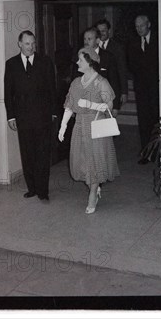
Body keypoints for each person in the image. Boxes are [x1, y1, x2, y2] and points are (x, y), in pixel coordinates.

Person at [58, 47, 120, 214]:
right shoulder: (76, 83)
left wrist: (91, 105)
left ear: (90, 63)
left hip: (96, 125)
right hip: (79, 126)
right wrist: (63, 126)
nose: (77, 62)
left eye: (81, 60)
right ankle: (94, 186)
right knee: (82, 162)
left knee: (94, 161)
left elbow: (109, 106)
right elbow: (69, 106)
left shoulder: (101, 82)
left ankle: (93, 193)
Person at [4, 31, 57, 202]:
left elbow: (52, 89)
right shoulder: (11, 64)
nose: (31, 47)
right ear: (20, 44)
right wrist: (11, 116)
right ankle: (32, 188)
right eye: (27, 44)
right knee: (27, 154)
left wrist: (53, 112)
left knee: (42, 153)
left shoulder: (45, 62)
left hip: (42, 117)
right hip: (23, 118)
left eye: (33, 43)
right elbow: (8, 93)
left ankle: (43, 190)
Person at [127, 14, 159, 163]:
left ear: (149, 24)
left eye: (142, 26)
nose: (139, 29)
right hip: (141, 88)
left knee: (157, 120)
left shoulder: (159, 39)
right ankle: (146, 153)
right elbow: (132, 65)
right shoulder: (133, 43)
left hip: (157, 88)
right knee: (144, 121)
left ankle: (159, 153)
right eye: (137, 26)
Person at [82, 27, 121, 115]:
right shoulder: (80, 57)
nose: (86, 42)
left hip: (103, 104)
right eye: (84, 39)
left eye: (89, 39)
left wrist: (115, 106)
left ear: (97, 40)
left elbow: (114, 82)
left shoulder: (108, 57)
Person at [96, 18, 128, 112]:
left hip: (113, 89)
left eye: (104, 30)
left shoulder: (117, 48)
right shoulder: (93, 47)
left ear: (109, 31)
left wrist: (124, 92)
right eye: (99, 31)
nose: (101, 33)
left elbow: (122, 70)